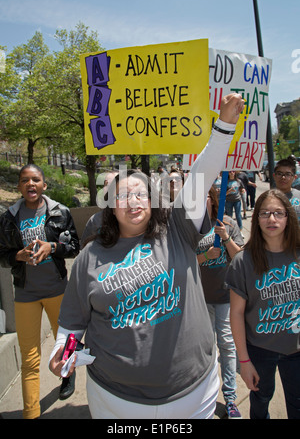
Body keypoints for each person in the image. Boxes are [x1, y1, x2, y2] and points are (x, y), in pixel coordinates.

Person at [49, 94, 245, 420]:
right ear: (111, 206)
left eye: (141, 193)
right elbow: (71, 325)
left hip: (194, 395)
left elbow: (200, 178)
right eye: (124, 195)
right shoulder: (88, 260)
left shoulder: (179, 229)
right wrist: (61, 354)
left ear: (153, 201)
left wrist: (223, 127)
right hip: (116, 403)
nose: (134, 201)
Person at [0, 164, 80, 419]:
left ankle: (68, 375)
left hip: (57, 289)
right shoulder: (8, 217)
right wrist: (17, 256)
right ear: (19, 186)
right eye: (25, 180)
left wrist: (53, 246)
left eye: (35, 179)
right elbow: (2, 256)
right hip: (25, 294)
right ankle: (31, 412)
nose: (30, 184)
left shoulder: (60, 212)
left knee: (66, 343)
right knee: (30, 358)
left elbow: (75, 247)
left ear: (44, 185)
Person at [227, 189, 300, 419]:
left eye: (278, 213)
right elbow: (236, 314)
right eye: (265, 213)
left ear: (288, 217)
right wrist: (244, 361)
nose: (271, 219)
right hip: (260, 350)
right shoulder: (243, 261)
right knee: (261, 402)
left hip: (296, 350)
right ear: (256, 218)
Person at [197, 186, 244, 418]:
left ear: (213, 199)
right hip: (200, 300)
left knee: (227, 345)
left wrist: (225, 238)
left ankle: (231, 397)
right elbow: (181, 262)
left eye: (205, 196)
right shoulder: (190, 229)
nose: (200, 201)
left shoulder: (227, 223)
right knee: (205, 349)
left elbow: (240, 258)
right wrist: (206, 256)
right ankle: (206, 395)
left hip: (226, 297)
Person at [273, 155, 300, 222]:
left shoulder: (298, 196)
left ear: (294, 177)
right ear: (274, 176)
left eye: (288, 174)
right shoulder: (266, 198)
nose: (283, 177)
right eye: (279, 173)